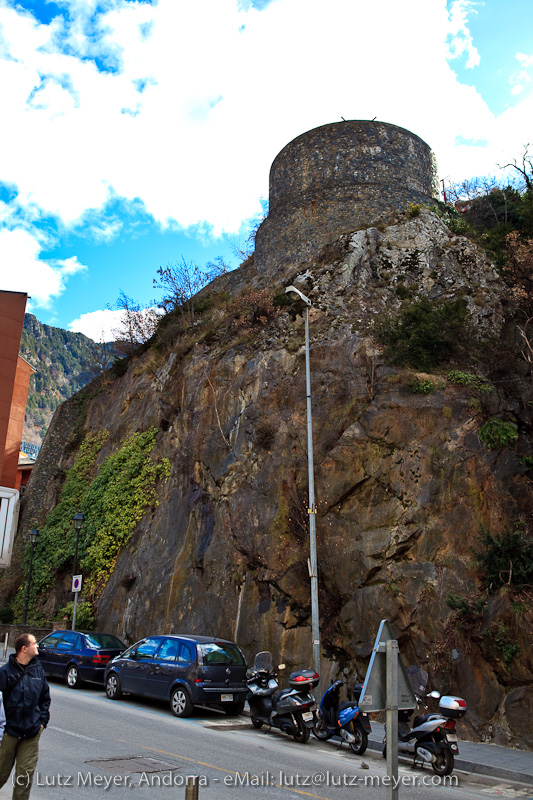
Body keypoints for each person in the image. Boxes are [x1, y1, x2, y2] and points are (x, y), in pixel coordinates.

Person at [0, 633, 50, 800]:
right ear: (24, 648)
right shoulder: (5, 673)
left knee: (24, 779)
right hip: (9, 734)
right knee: (1, 774)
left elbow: (45, 699)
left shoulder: (38, 671)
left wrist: (42, 723)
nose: (38, 646)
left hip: (31, 733)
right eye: (35, 643)